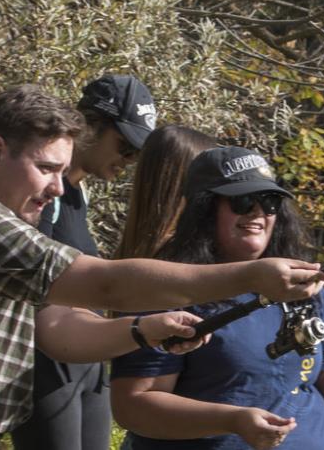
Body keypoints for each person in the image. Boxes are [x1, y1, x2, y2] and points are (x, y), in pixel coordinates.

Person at [0, 85, 324, 450]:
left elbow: (57, 329)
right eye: (47, 168)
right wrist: (250, 275)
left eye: (63, 171)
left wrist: (145, 330)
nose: (59, 188)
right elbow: (105, 285)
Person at [110, 146, 324, 450]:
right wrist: (233, 420)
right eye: (242, 200)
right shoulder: (166, 291)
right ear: (205, 210)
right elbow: (133, 406)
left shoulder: (307, 293)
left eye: (269, 202)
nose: (257, 211)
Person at [13, 74, 200, 450]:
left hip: (91, 364)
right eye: (125, 146)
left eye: (137, 153)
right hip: (47, 365)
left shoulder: (78, 193)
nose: (129, 160)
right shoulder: (42, 194)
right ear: (89, 125)